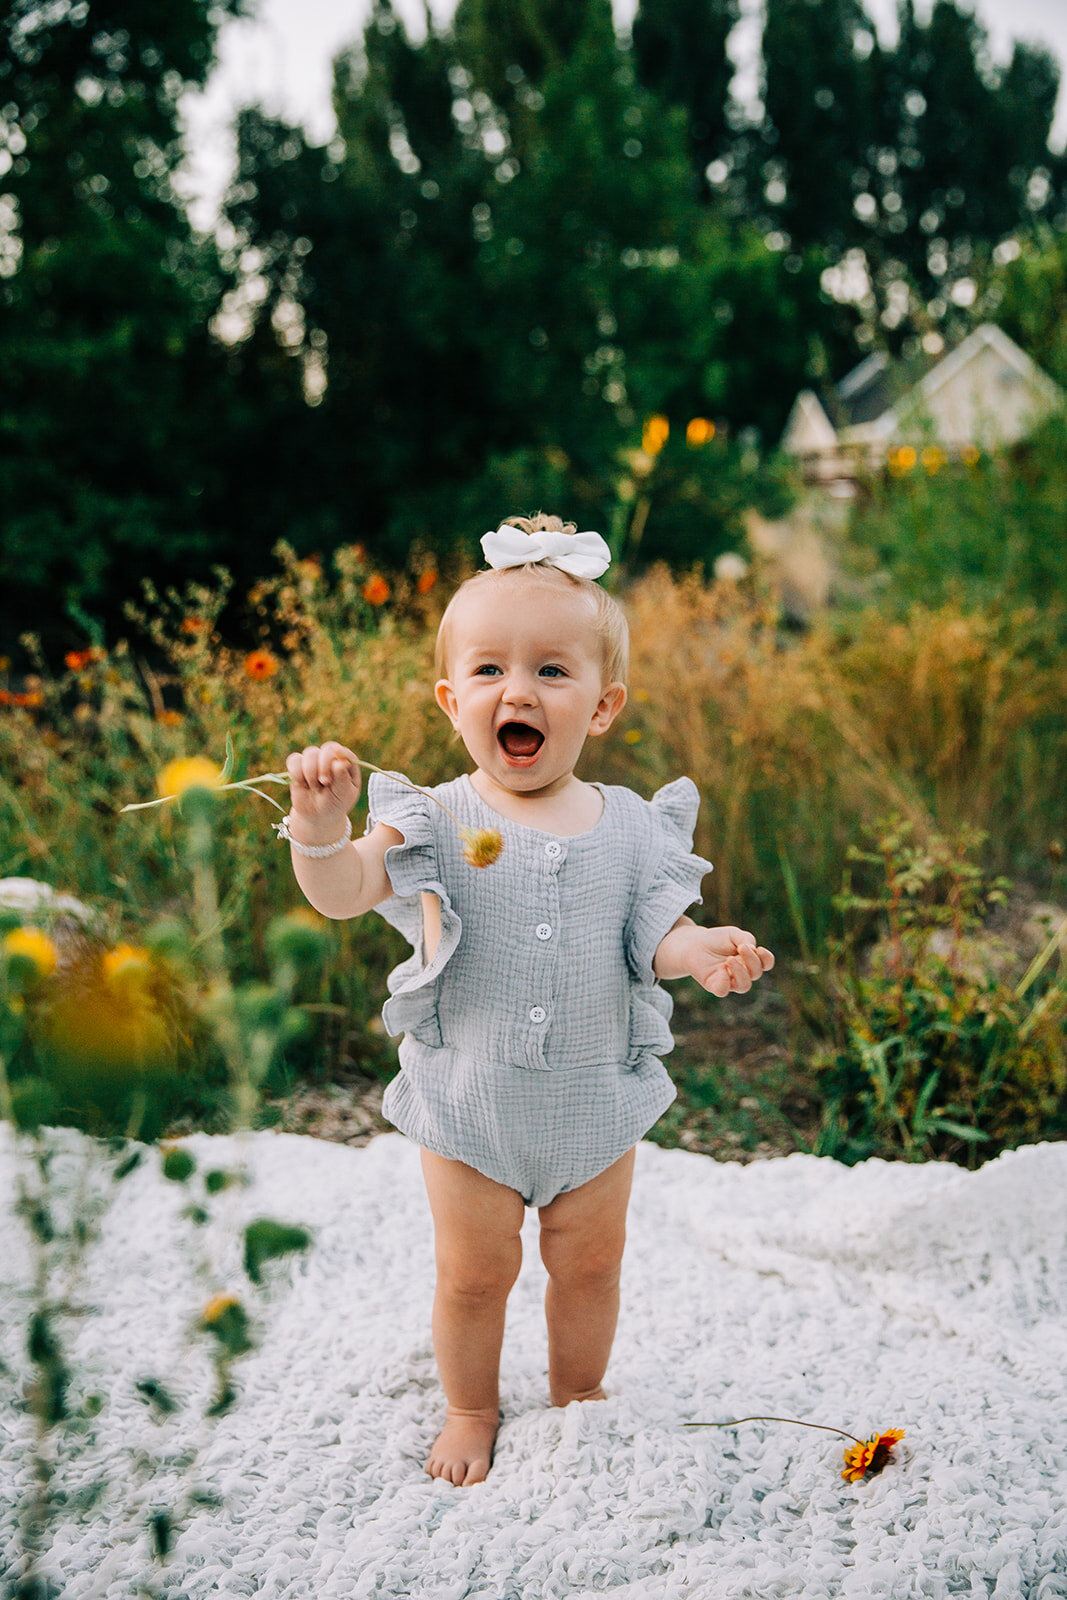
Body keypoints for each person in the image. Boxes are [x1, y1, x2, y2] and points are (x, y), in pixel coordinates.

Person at [280, 514, 775, 1487]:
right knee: (475, 1274)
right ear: (449, 697)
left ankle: (578, 1394)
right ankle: (469, 1405)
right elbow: (342, 894)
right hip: (469, 1104)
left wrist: (700, 950)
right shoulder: (428, 818)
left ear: (601, 705)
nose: (518, 689)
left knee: (588, 1265)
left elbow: (653, 938)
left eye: (552, 671)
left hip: (593, 1103)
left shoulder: (633, 828)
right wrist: (320, 830)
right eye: (489, 670)